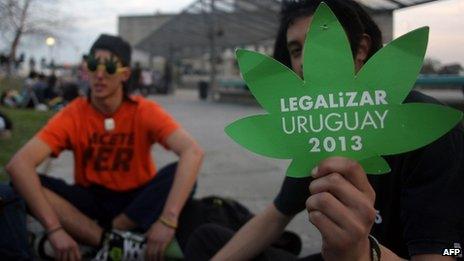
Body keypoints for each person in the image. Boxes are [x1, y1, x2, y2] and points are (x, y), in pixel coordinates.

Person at [184, 0, 464, 260]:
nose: (306, 60)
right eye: (296, 50)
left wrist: (364, 251)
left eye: (321, 42)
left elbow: (448, 253)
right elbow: (274, 216)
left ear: (361, 49)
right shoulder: (316, 134)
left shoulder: (428, 128)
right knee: (207, 240)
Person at [6, 34, 204, 261]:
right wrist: (55, 230)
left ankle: (113, 234)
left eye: (110, 67)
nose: (99, 75)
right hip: (91, 199)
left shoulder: (143, 110)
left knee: (181, 173)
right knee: (22, 183)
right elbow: (18, 164)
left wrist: (168, 220)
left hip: (136, 200)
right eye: (92, 65)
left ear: (125, 74)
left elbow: (193, 152)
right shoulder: (75, 113)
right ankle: (108, 241)